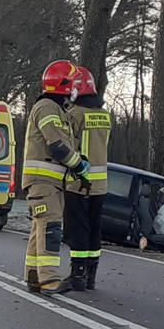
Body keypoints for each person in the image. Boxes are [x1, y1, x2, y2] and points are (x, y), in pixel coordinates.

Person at [21, 59, 89, 294]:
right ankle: (49, 280)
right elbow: (58, 145)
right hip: (44, 182)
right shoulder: (48, 108)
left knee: (39, 228)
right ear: (63, 85)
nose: (75, 89)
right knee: (50, 228)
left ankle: (33, 276)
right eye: (71, 84)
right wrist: (79, 165)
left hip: (49, 183)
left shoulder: (56, 109)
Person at [63, 65, 112, 290]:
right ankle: (91, 274)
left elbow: (67, 146)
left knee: (78, 228)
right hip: (100, 184)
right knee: (94, 227)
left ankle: (77, 273)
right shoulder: (104, 116)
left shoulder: (74, 115)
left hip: (78, 181)